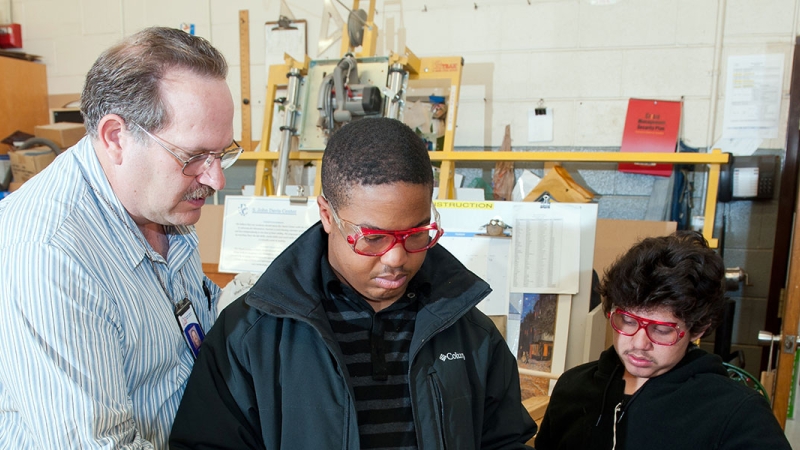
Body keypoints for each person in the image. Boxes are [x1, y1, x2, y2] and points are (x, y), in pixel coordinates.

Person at [169, 117, 537, 449]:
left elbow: (503, 443)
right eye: (373, 238)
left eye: (415, 234)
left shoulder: (471, 334)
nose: (396, 259)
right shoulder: (249, 339)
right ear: (328, 215)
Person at [0, 27, 240, 449]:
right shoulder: (51, 255)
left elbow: (188, 315)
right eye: (195, 156)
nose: (215, 178)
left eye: (222, 154)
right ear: (116, 137)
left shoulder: (161, 203)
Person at [534, 231, 792, 450]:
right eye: (628, 321)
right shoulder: (573, 388)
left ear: (698, 329)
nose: (639, 343)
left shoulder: (737, 412)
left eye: (661, 329)